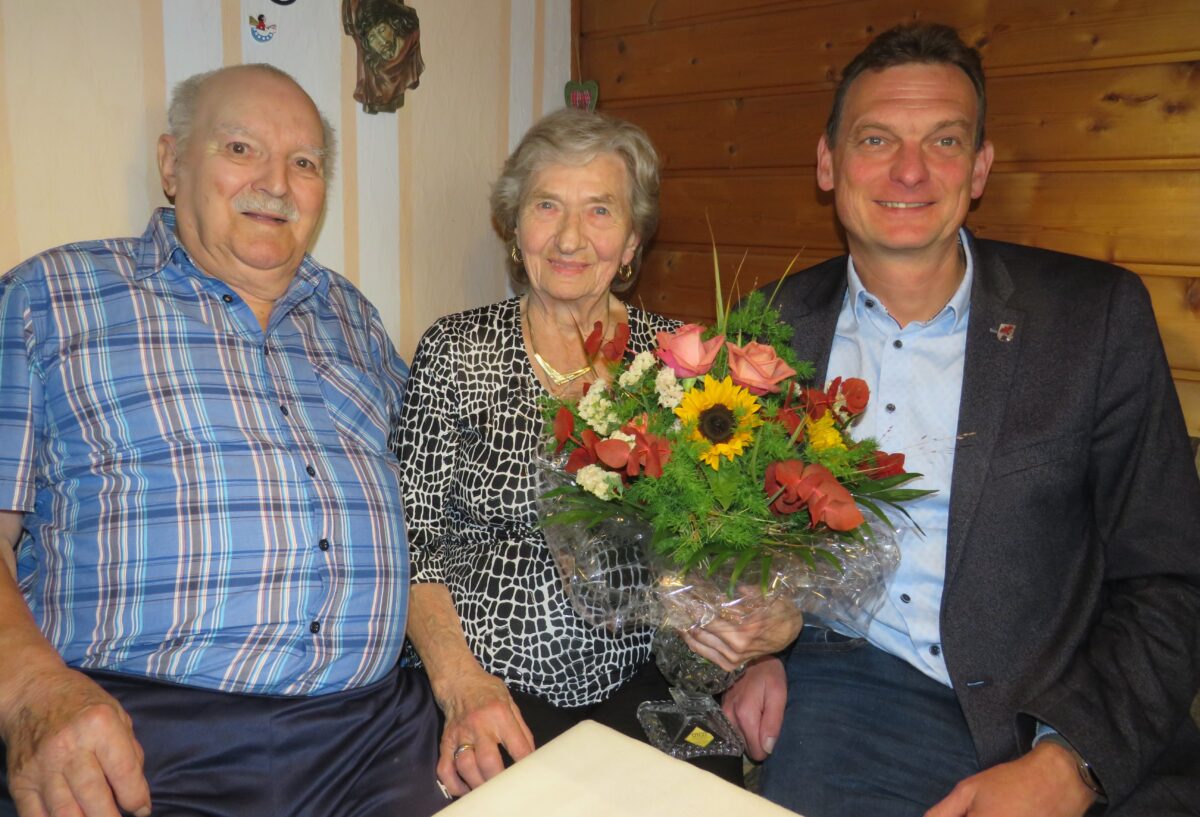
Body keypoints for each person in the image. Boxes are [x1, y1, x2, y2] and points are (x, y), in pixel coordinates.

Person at [720, 22, 1200, 817]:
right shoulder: (768, 333)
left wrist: (1072, 761)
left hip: (1070, 696)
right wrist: (756, 653)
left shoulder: (1093, 318)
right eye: (877, 139)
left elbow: (1170, 576)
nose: (910, 170)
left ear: (979, 168)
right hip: (862, 699)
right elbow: (732, 541)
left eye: (943, 141)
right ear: (828, 163)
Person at [0, 64, 446, 817]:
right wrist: (28, 689)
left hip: (377, 735)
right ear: (172, 163)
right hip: (141, 736)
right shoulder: (51, 297)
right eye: (241, 149)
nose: (276, 183)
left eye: (304, 163)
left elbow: (437, 509)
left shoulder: (354, 319)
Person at [396, 107, 753, 796]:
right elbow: (414, 539)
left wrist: (753, 639)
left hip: (644, 677)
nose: (568, 237)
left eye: (599, 210)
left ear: (632, 239)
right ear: (514, 226)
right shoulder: (455, 351)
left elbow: (725, 538)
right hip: (488, 685)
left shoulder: (680, 363)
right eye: (547, 205)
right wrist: (463, 684)